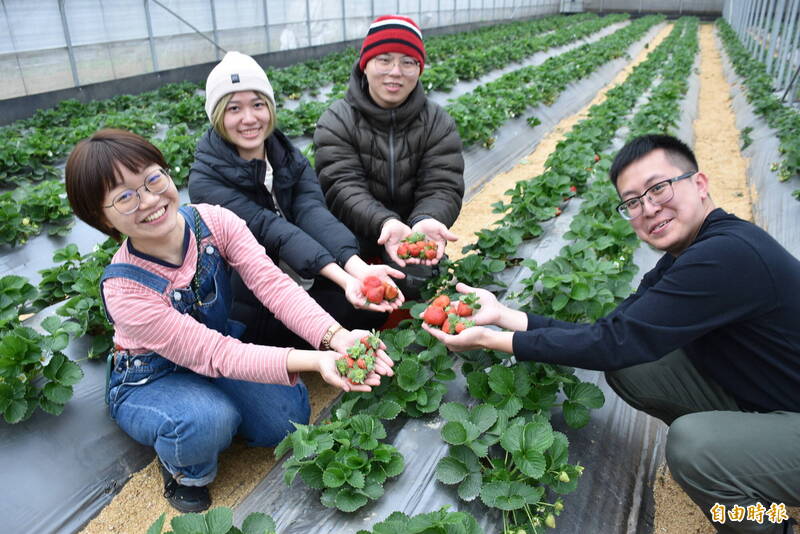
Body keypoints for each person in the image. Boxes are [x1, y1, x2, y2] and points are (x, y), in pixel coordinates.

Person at [426, 134, 800, 534]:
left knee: (692, 446)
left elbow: (610, 343)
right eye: (633, 202)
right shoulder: (693, 252)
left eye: (658, 188)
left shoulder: (726, 255)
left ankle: (769, 522)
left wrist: (490, 339)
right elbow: (612, 332)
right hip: (777, 398)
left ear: (700, 183)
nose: (649, 208)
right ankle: (742, 466)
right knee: (637, 367)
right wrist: (505, 317)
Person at [65, 129, 394, 513]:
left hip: (216, 351)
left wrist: (334, 338)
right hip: (154, 376)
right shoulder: (125, 290)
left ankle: (217, 411)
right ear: (99, 217)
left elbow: (273, 286)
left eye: (153, 178)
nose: (150, 200)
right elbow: (214, 352)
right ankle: (185, 468)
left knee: (285, 420)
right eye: (125, 197)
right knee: (206, 420)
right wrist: (317, 362)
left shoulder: (214, 222)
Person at [189, 51, 402, 349]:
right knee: (344, 319)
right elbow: (272, 230)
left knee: (370, 311)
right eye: (233, 108)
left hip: (305, 273)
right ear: (217, 115)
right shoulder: (205, 182)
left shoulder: (286, 156)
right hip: (258, 297)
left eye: (258, 104)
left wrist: (358, 269)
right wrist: (345, 280)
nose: (249, 118)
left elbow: (311, 211)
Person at [314, 15, 465, 299]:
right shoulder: (337, 120)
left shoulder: (437, 122)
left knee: (420, 280)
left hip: (410, 231)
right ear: (365, 65)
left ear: (419, 69)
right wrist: (384, 222)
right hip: (350, 234)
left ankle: (415, 335)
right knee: (339, 299)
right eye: (384, 59)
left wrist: (426, 219)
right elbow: (342, 187)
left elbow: (443, 185)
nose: (395, 71)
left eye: (408, 62)